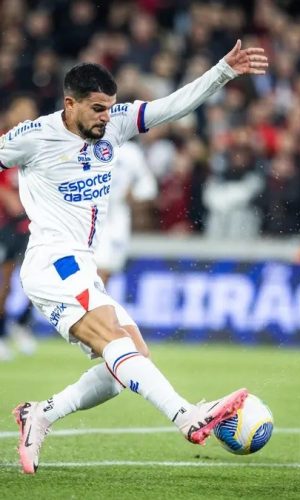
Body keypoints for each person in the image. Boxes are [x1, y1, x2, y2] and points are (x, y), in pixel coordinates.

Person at [3, 39, 268, 474]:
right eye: (96, 109)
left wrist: (224, 70)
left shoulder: (115, 127)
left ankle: (42, 413)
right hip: (52, 261)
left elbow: (172, 107)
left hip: (80, 265)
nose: (106, 118)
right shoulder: (34, 137)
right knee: (116, 343)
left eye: (110, 107)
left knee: (127, 361)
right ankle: (186, 415)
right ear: (69, 104)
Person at [0, 96, 39, 361]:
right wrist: (6, 195)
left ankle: (22, 323)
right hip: (5, 224)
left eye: (30, 111)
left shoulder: (37, 143)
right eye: (21, 110)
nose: (26, 116)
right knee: (5, 283)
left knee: (37, 279)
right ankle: (2, 333)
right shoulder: (3, 143)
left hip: (32, 224)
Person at [95, 139, 157, 285]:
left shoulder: (130, 151)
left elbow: (148, 186)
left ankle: (94, 306)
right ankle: (91, 306)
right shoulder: (85, 144)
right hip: (90, 213)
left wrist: (134, 195)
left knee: (107, 270)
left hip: (118, 216)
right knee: (95, 269)